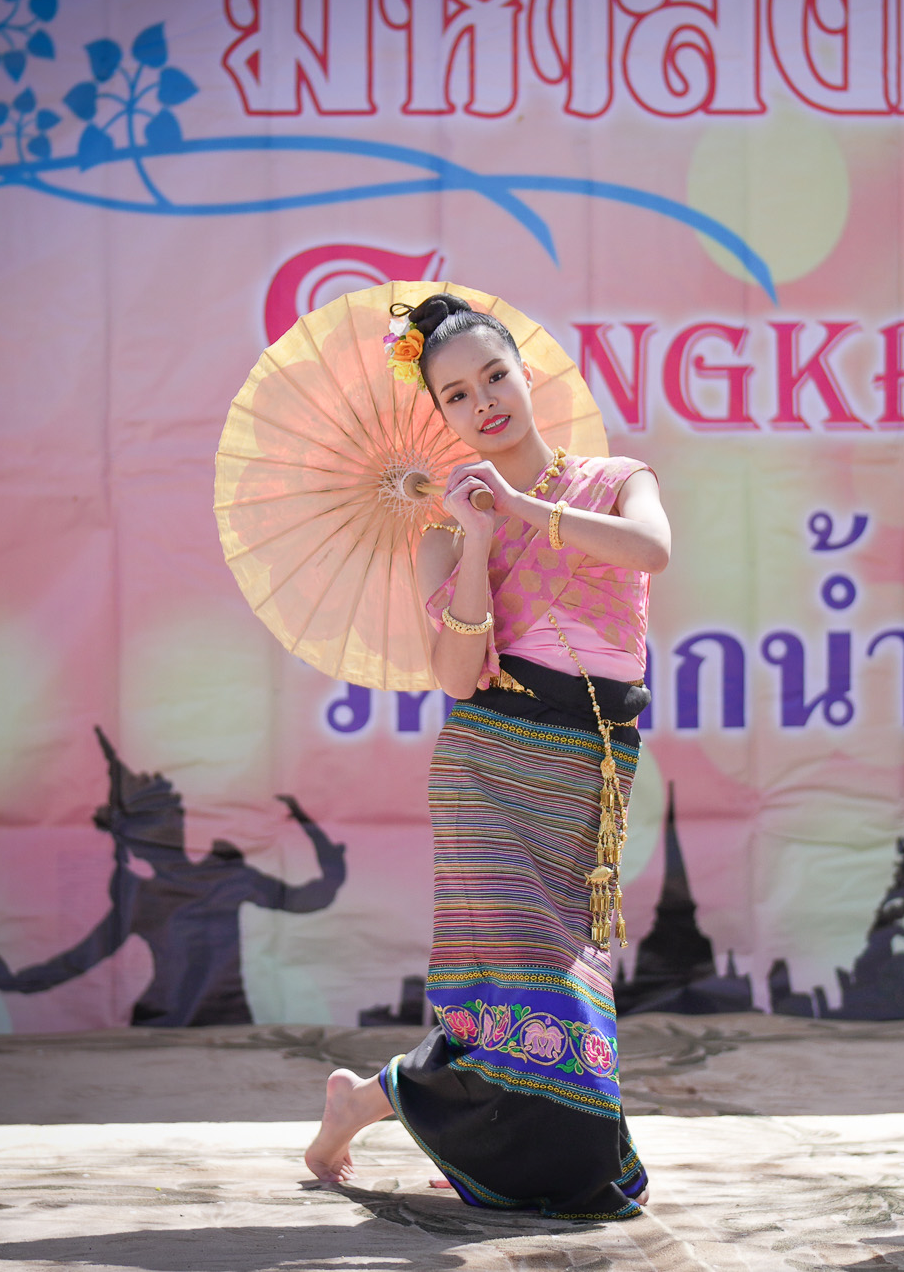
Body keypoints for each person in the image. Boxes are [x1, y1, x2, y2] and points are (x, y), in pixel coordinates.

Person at [303, 292, 671, 1218]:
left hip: (591, 764)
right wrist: (476, 536)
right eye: (457, 395)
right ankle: (467, 1130)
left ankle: (367, 1098)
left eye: (495, 377)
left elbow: (652, 551)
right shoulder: (442, 529)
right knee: (516, 982)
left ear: (527, 373)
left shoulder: (615, 479)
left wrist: (525, 508)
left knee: (565, 971)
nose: (485, 404)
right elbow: (459, 675)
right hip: (489, 762)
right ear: (442, 416)